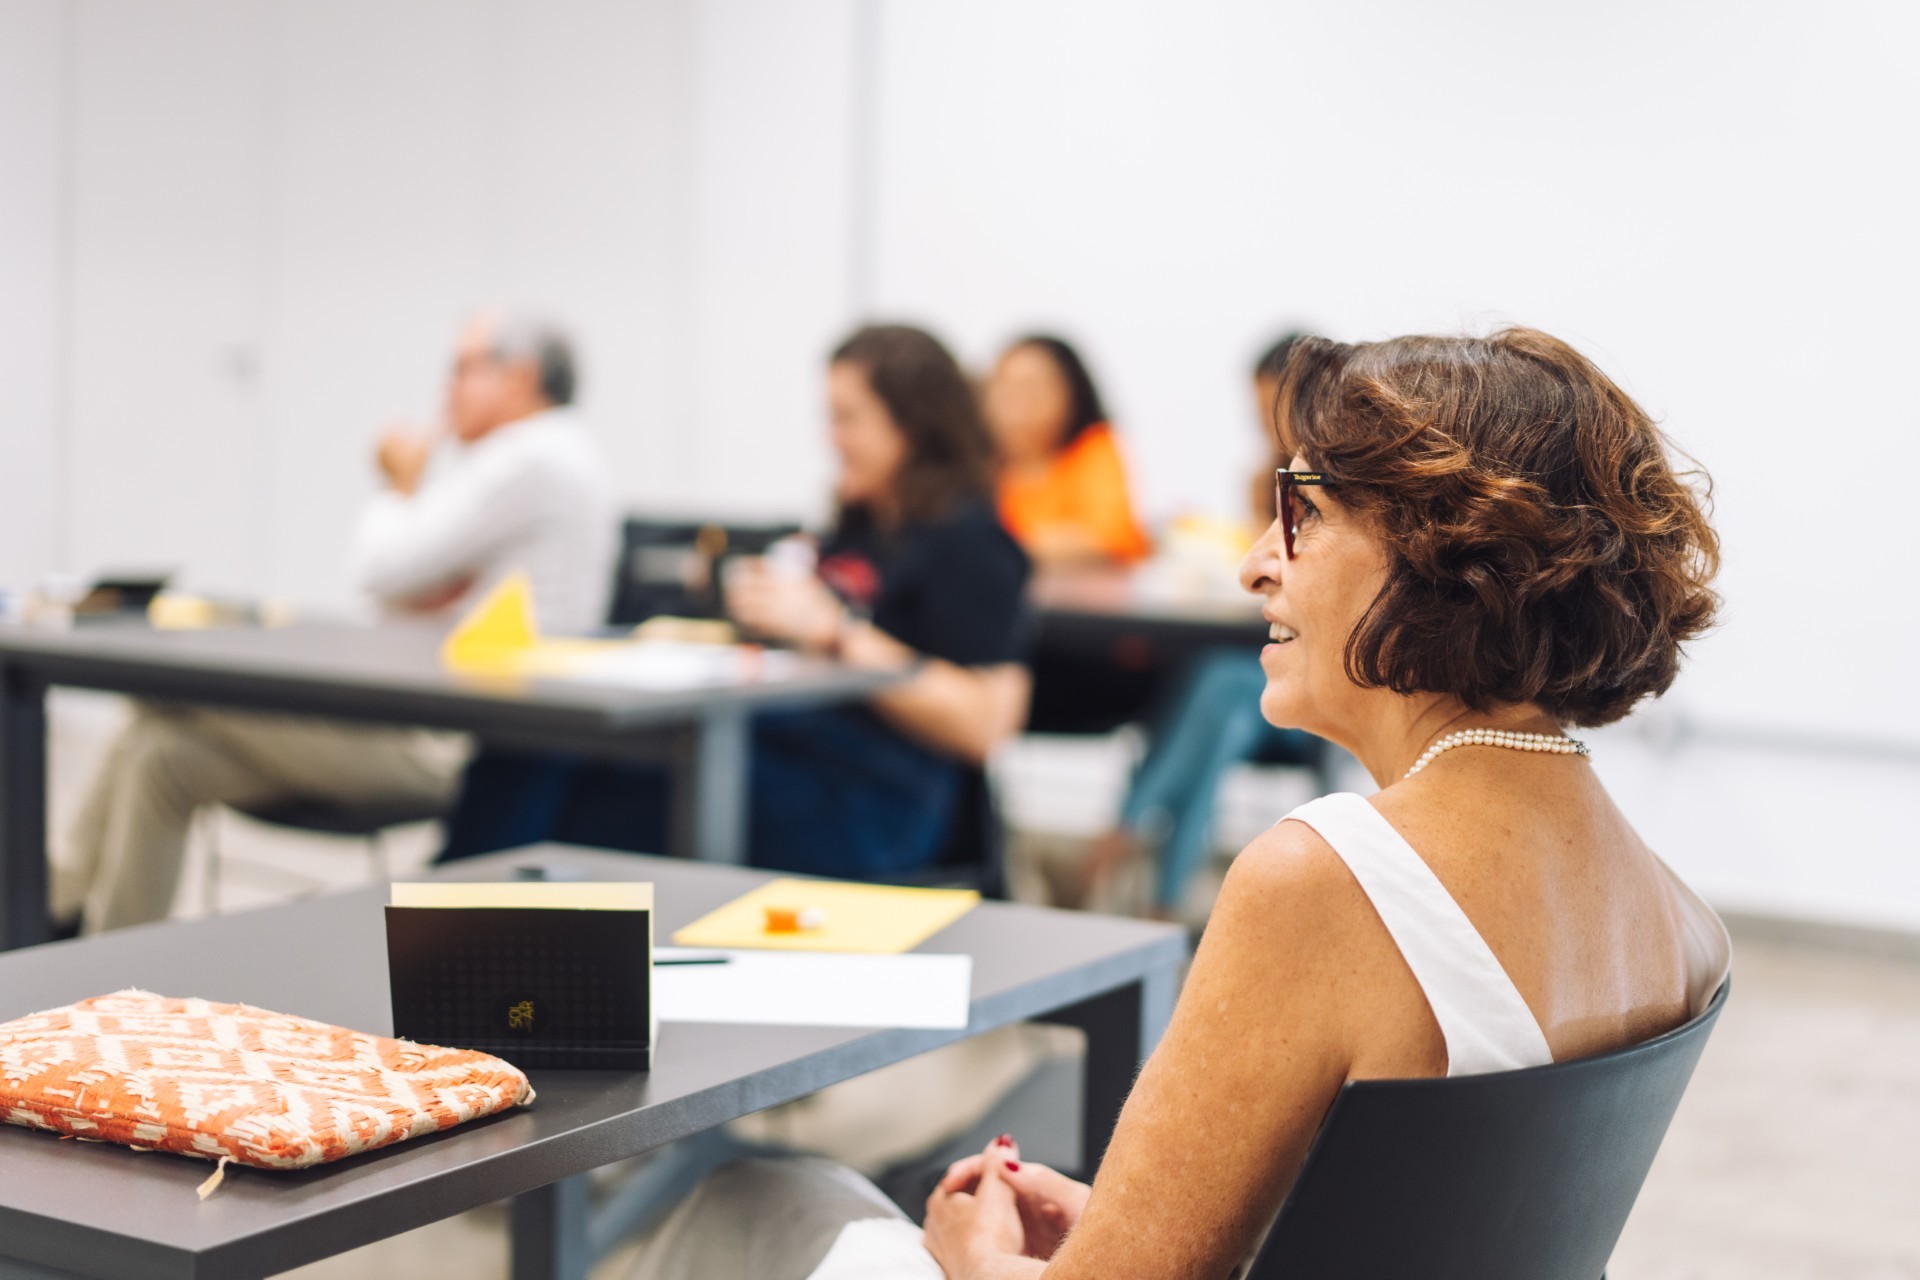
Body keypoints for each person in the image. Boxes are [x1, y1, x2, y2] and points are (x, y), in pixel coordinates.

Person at [615, 326, 1732, 1278]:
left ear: (1442, 558)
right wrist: (1127, 1225)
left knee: (759, 1195)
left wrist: (977, 1258)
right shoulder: (1680, 919)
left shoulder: (1330, 878)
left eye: (1300, 513)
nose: (1255, 564)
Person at [50, 309, 616, 935]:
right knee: (161, 758)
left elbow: (381, 573)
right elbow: (405, 592)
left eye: (461, 368)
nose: (444, 389)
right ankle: (97, 954)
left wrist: (400, 486)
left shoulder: (529, 459)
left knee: (161, 684)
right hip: (432, 720)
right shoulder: (552, 458)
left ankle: (46, 912)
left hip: (441, 740)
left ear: (520, 379)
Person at [439, 323, 1032, 879]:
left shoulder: (971, 543)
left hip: (867, 800)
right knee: (545, 747)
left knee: (579, 789)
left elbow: (985, 724)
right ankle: (460, 916)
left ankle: (456, 914)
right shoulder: (859, 530)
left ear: (911, 426)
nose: (832, 438)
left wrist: (838, 631)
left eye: (848, 419)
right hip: (785, 750)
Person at [1077, 332, 1331, 916]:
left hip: (1313, 686)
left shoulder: (1327, 486)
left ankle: (1125, 833)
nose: (1267, 426)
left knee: (1221, 687)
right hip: (1261, 675)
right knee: (1222, 703)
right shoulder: (1268, 479)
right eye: (1259, 410)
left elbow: (1303, 578)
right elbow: (1266, 563)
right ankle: (1164, 903)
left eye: (1276, 408)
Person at [987, 335, 1150, 567]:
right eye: (1005, 390)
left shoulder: (1092, 450)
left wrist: (996, 548)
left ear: (1071, 393)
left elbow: (1109, 535)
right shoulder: (980, 461)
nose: (1016, 407)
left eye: (1030, 390)